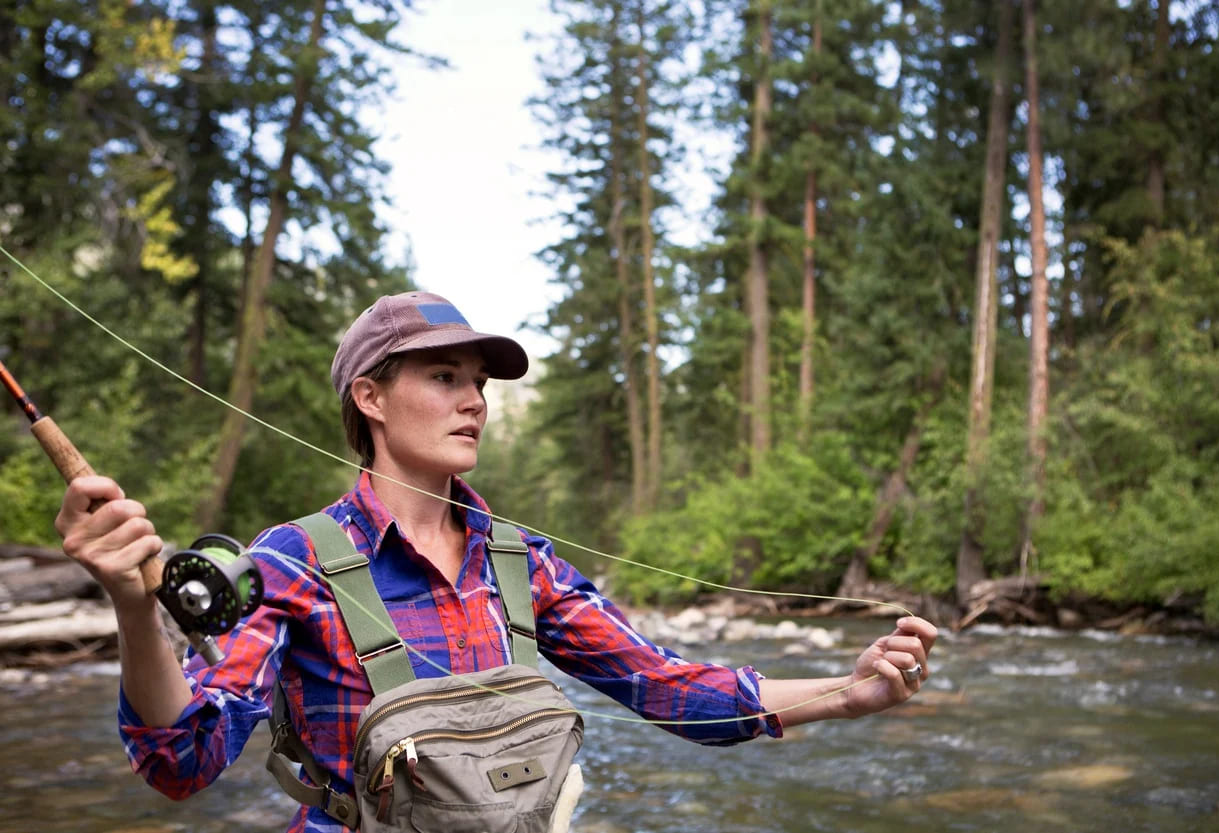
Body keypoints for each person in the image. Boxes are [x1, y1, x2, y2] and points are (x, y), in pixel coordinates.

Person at [56, 291, 938, 832]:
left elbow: (667, 688)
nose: (474, 398)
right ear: (369, 397)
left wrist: (844, 694)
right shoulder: (292, 560)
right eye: (442, 376)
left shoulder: (521, 561)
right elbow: (184, 762)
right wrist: (137, 608)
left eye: (478, 381)